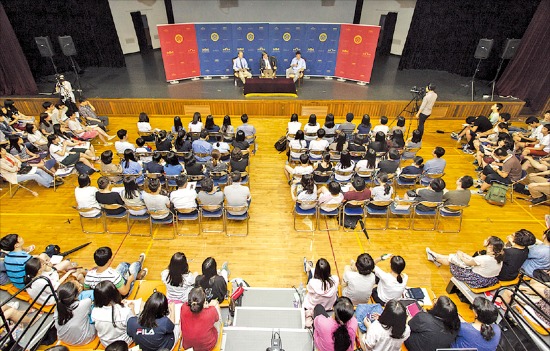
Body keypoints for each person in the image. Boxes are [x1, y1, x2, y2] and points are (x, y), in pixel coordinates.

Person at [426, 236, 505, 288]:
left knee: (452, 259)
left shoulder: (484, 258)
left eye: (487, 240)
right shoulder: (498, 257)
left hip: (476, 280)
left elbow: (468, 262)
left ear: (490, 246)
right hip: (489, 280)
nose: (485, 240)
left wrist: (460, 255)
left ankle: (435, 257)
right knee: (454, 257)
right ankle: (436, 256)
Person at [91, 281, 135, 347]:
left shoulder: (94, 311)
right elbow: (133, 325)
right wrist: (132, 309)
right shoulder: (124, 311)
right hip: (124, 343)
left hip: (105, 343)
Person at [55, 281, 97, 346]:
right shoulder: (85, 303)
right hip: (84, 340)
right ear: (77, 294)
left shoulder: (58, 307)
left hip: (64, 339)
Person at [180, 287, 221, 351]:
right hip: (207, 346)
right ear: (204, 301)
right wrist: (210, 306)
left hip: (187, 346)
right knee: (216, 307)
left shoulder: (183, 307)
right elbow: (217, 319)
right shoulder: (211, 311)